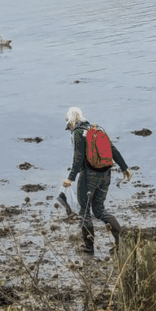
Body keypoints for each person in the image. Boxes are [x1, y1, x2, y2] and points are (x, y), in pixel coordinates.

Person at [63, 107, 132, 257]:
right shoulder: (96, 128)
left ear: (70, 121)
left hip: (89, 176)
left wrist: (70, 178)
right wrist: (124, 167)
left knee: (85, 211)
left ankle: (89, 248)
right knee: (99, 209)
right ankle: (120, 243)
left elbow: (78, 158)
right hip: (106, 173)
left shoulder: (77, 133)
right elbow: (112, 149)